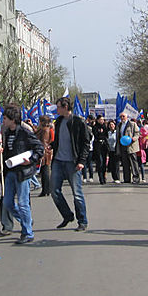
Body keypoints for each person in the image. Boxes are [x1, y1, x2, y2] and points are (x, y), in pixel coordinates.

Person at [0, 105, 44, 244]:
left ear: (13, 119)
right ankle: (26, 220)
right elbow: (8, 151)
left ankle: (27, 232)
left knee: (23, 203)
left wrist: (30, 160)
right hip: (10, 171)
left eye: (5, 118)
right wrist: (1, 152)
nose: (3, 120)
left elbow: (39, 148)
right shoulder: (6, 133)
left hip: (22, 172)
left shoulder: (24, 132)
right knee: (7, 203)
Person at [50, 96, 89, 231]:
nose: (57, 110)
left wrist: (81, 161)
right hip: (58, 160)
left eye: (58, 107)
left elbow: (85, 143)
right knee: (54, 190)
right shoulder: (59, 121)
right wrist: (51, 146)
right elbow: (59, 140)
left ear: (65, 107)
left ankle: (82, 220)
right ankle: (67, 215)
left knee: (77, 193)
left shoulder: (78, 122)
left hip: (72, 161)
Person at [116, 112, 140, 183]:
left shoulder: (132, 124)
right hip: (122, 147)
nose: (122, 118)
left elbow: (137, 133)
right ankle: (126, 179)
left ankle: (136, 178)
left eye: (123, 116)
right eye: (121, 117)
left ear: (127, 117)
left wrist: (134, 138)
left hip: (131, 147)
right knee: (125, 164)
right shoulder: (119, 125)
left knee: (133, 163)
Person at [35, 115, 54, 195]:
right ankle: (47, 189)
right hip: (46, 152)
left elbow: (43, 142)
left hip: (44, 153)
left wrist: (41, 151)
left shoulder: (44, 130)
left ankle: (46, 189)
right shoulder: (47, 129)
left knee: (45, 172)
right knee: (45, 171)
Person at [91, 115, 108, 184]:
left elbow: (106, 135)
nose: (102, 121)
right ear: (97, 120)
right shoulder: (95, 127)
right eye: (100, 119)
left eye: (103, 120)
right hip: (98, 145)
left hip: (104, 145)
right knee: (100, 162)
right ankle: (100, 178)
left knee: (104, 163)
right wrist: (100, 133)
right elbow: (96, 135)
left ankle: (104, 177)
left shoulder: (104, 127)